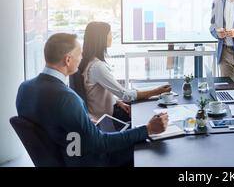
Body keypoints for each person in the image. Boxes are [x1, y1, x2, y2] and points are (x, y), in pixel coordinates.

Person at [16, 33, 169, 166]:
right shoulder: (67, 98)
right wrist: (148, 129)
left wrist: (83, 122)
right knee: (146, 146)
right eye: (80, 54)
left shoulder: (25, 88)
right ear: (68, 60)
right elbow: (99, 143)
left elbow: (52, 122)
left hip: (66, 156)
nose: (82, 58)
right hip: (88, 161)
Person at [77, 22, 171, 121]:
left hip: (106, 112)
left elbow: (98, 93)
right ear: (101, 38)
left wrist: (118, 102)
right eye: (109, 34)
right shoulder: (97, 67)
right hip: (105, 119)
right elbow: (126, 96)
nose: (111, 37)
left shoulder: (89, 61)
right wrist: (157, 91)